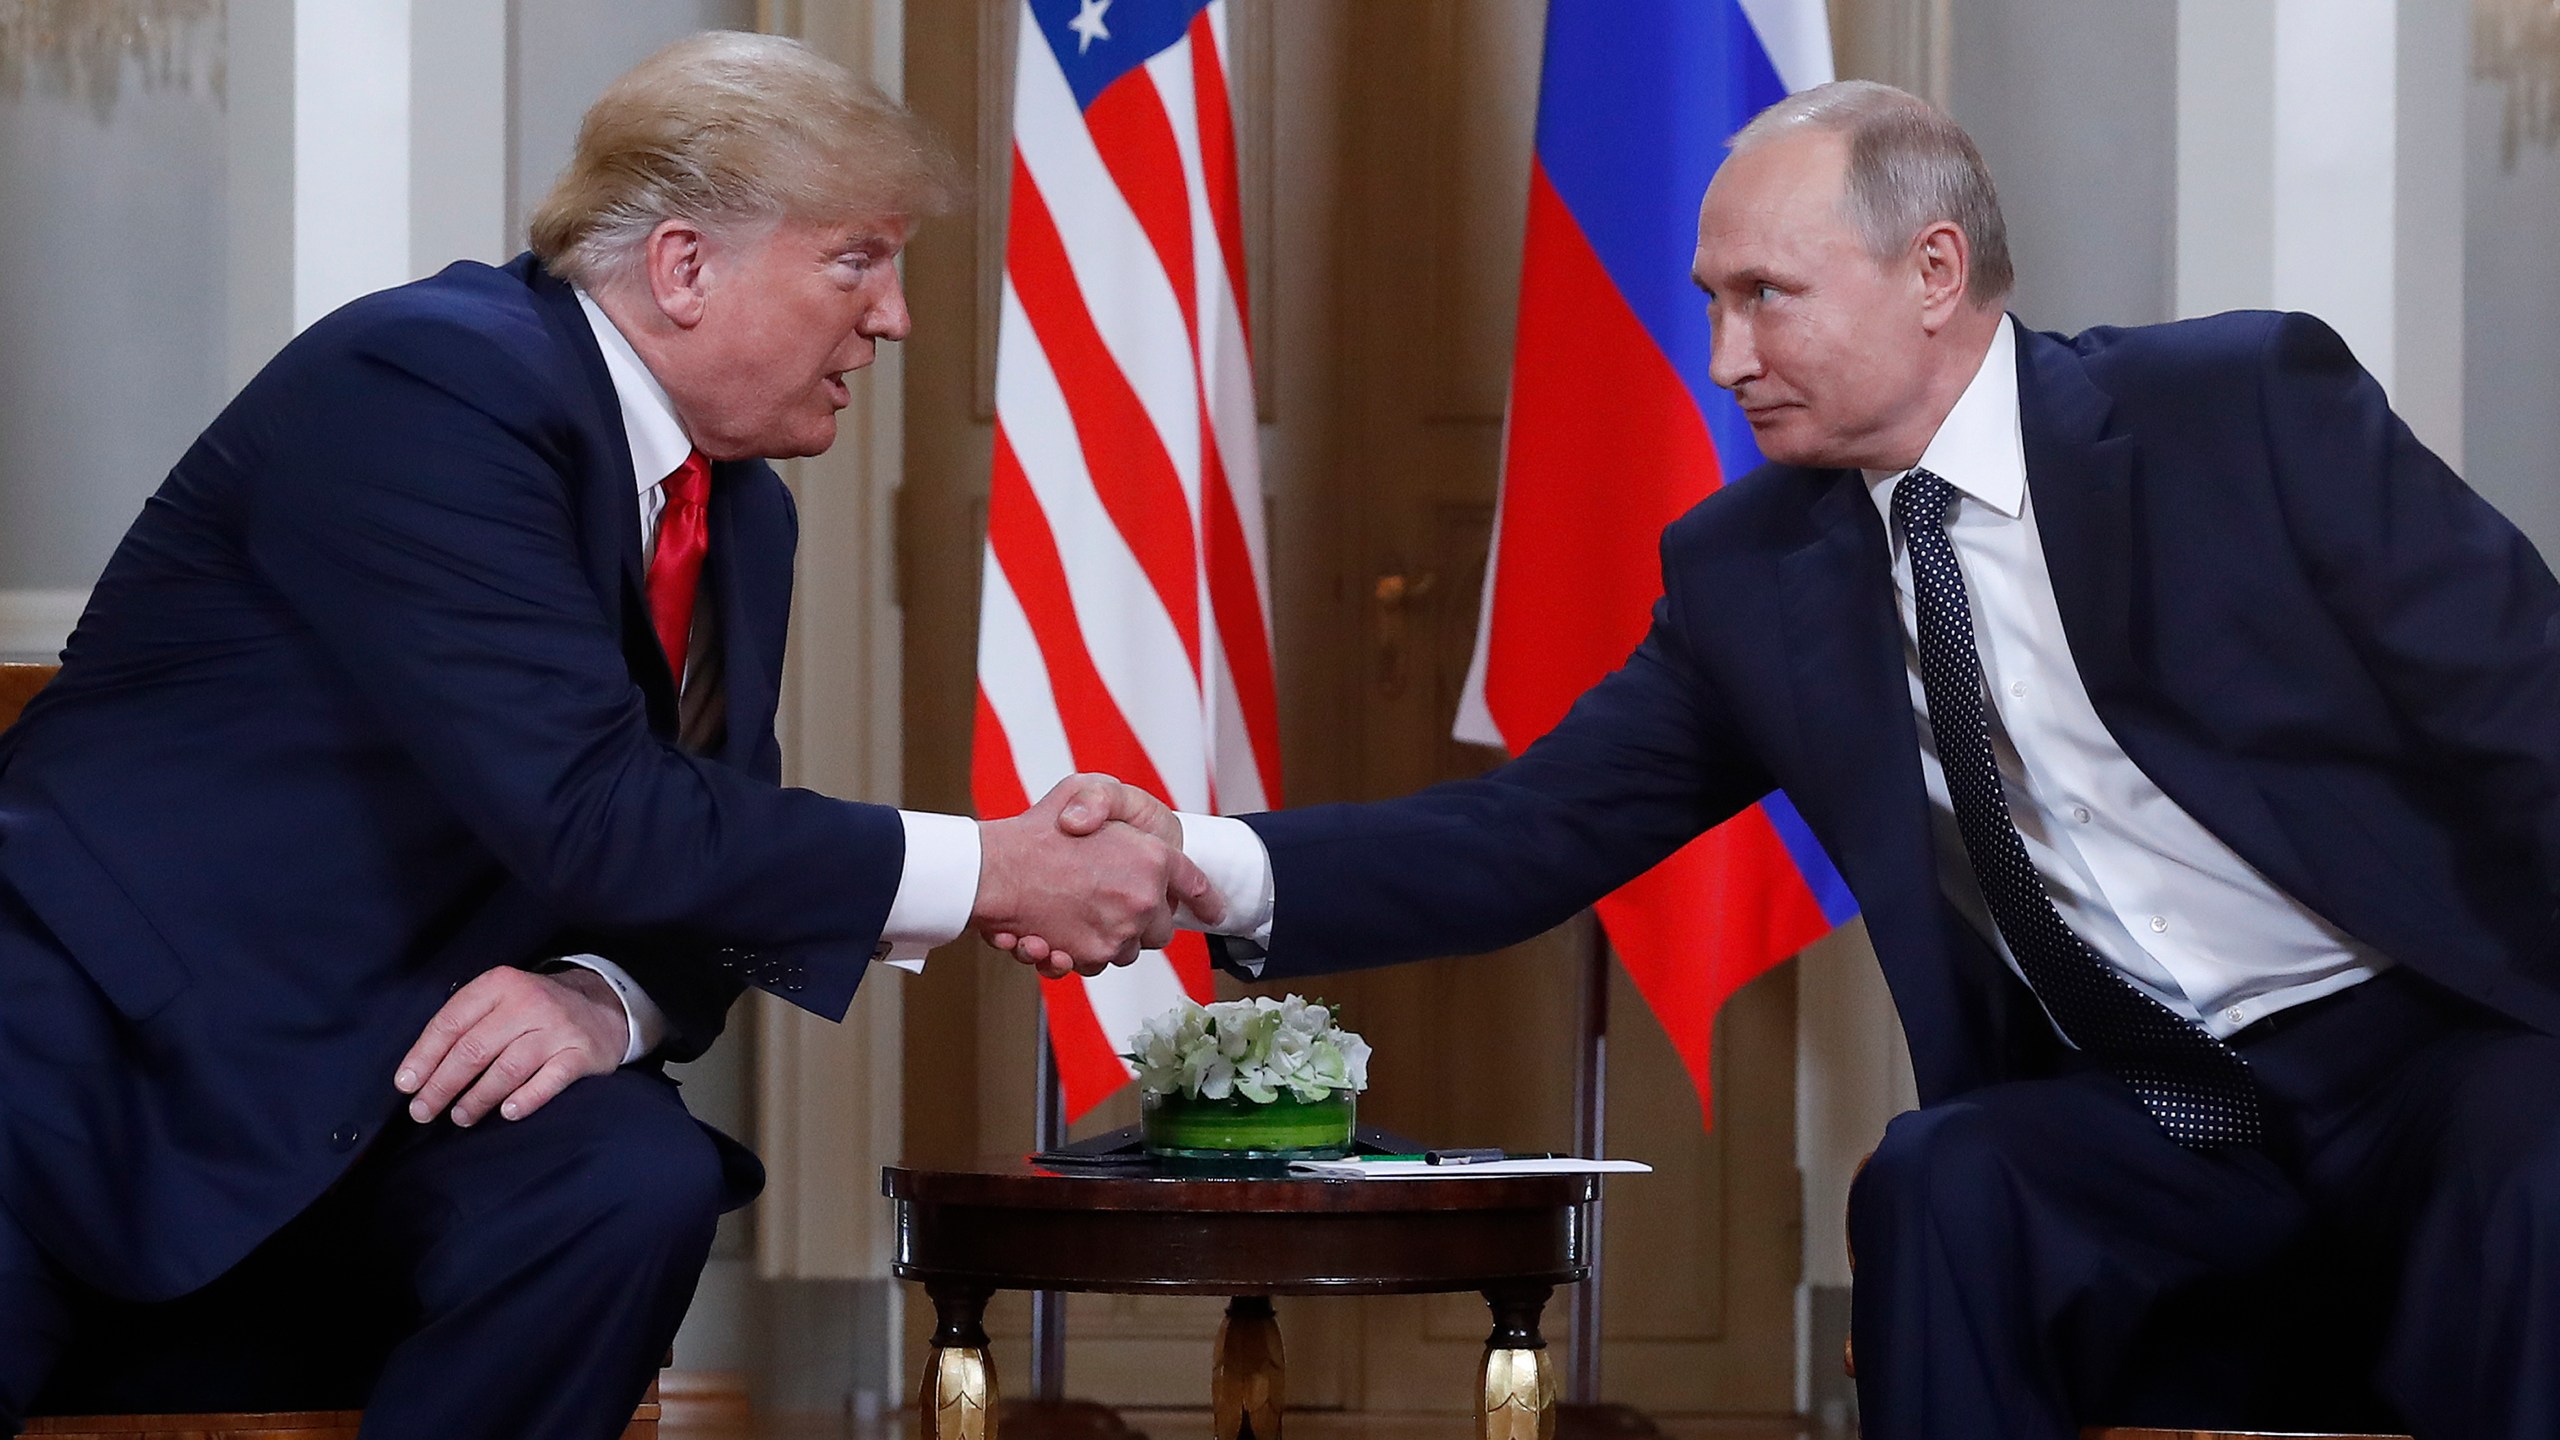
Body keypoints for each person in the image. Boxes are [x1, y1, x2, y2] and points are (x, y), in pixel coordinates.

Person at [1025, 81, 2560, 1439]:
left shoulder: (2237, 410)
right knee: (1943, 1179)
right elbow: (1531, 832)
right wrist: (1194, 860)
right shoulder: (1751, 571)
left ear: (1934, 272)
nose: (1720, 355)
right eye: (1709, 301)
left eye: (1765, 297)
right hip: (2150, 1109)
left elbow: (2528, 715)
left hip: (2423, 1055)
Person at [0, 32, 1210, 1440]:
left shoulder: (739, 503)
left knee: (625, 1178)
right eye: (856, 261)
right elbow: (593, 805)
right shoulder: (429, 385)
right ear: (685, 268)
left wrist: (603, 997)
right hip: (99, 1065)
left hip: (390, 1072)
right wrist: (992, 868)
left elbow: (703, 841)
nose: (896, 321)